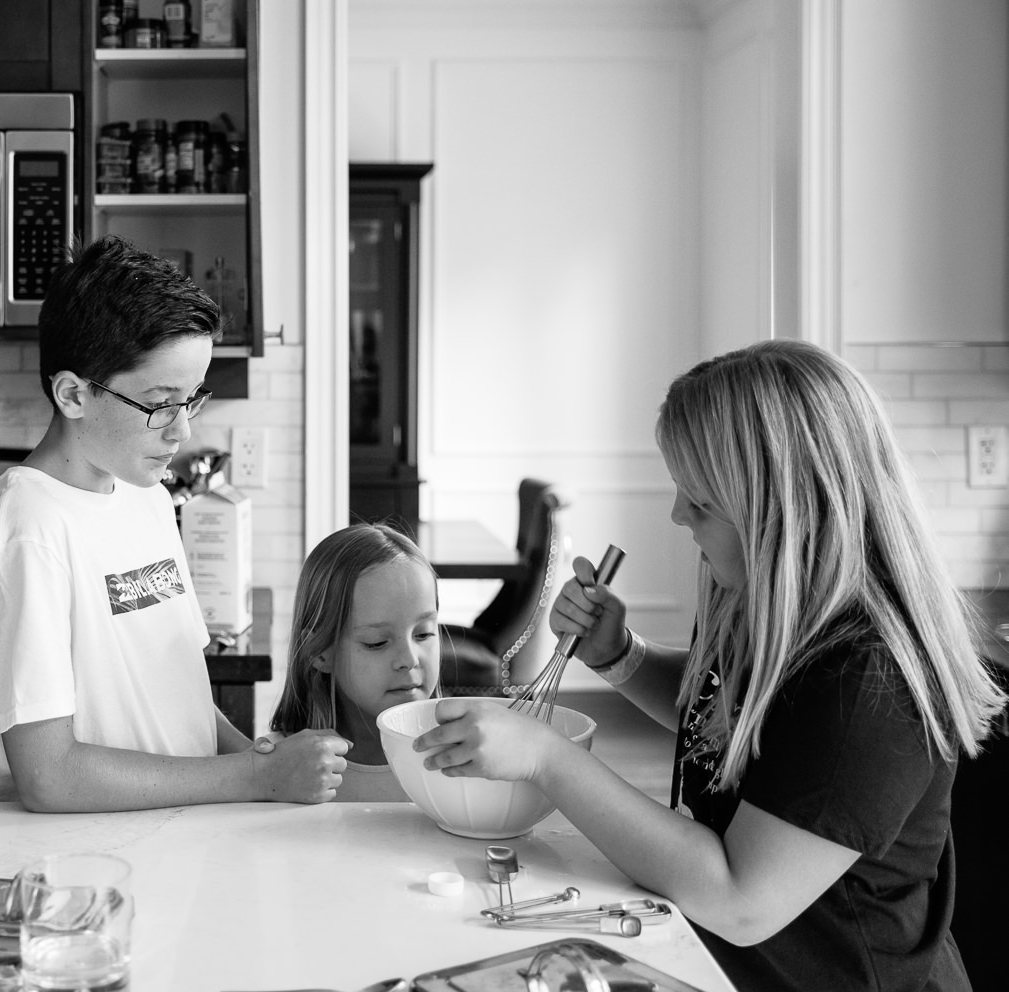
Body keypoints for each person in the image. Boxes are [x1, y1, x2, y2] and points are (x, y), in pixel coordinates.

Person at [414, 340, 1006, 992]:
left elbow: (739, 898)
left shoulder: (868, 681)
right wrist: (618, 653)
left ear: (782, 509)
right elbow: (731, 718)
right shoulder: (764, 601)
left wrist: (547, 756)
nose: (676, 515)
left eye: (701, 501)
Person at [0, 235, 350, 810]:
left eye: (192, 399)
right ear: (72, 395)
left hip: (178, 850)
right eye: (161, 402)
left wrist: (267, 770)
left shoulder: (146, 495)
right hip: (89, 874)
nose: (182, 430)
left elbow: (182, 695)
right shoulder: (30, 527)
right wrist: (253, 779)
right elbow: (49, 775)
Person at [268, 523, 441, 800]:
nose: (409, 660)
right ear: (319, 651)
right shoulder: (278, 769)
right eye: (377, 642)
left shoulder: (464, 760)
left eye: (424, 634)